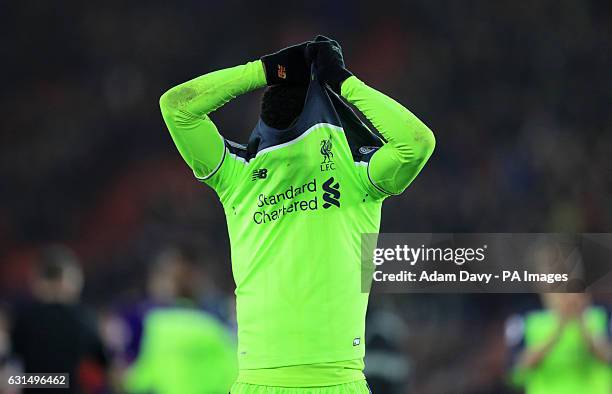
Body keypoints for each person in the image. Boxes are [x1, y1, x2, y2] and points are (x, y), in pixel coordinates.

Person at [159, 35, 435, 393]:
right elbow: (417, 143)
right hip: (338, 382)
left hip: (259, 382)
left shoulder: (238, 176)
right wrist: (343, 81)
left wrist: (262, 71)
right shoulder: (356, 173)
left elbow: (176, 107)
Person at [123, 246, 237, 394]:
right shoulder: (211, 324)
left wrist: (126, 380)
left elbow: (145, 374)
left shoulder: (157, 324)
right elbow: (232, 369)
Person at [10, 245, 109, 394]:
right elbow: (103, 365)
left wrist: (36, 381)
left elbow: (12, 372)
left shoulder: (24, 318)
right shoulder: (84, 318)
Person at [506, 293, 612, 394]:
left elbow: (607, 356)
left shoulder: (601, 316)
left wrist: (582, 323)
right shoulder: (530, 320)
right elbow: (521, 367)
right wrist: (558, 329)